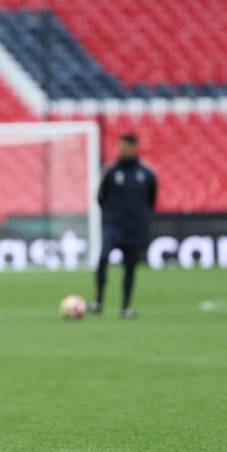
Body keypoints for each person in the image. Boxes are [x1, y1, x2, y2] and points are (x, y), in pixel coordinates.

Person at [87, 133, 157, 318]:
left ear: (134, 147)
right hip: (113, 226)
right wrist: (112, 216)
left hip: (135, 228)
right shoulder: (110, 171)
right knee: (103, 259)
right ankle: (98, 301)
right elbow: (100, 197)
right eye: (120, 147)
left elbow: (151, 199)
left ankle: (125, 307)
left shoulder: (147, 173)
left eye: (124, 147)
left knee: (130, 267)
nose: (121, 150)